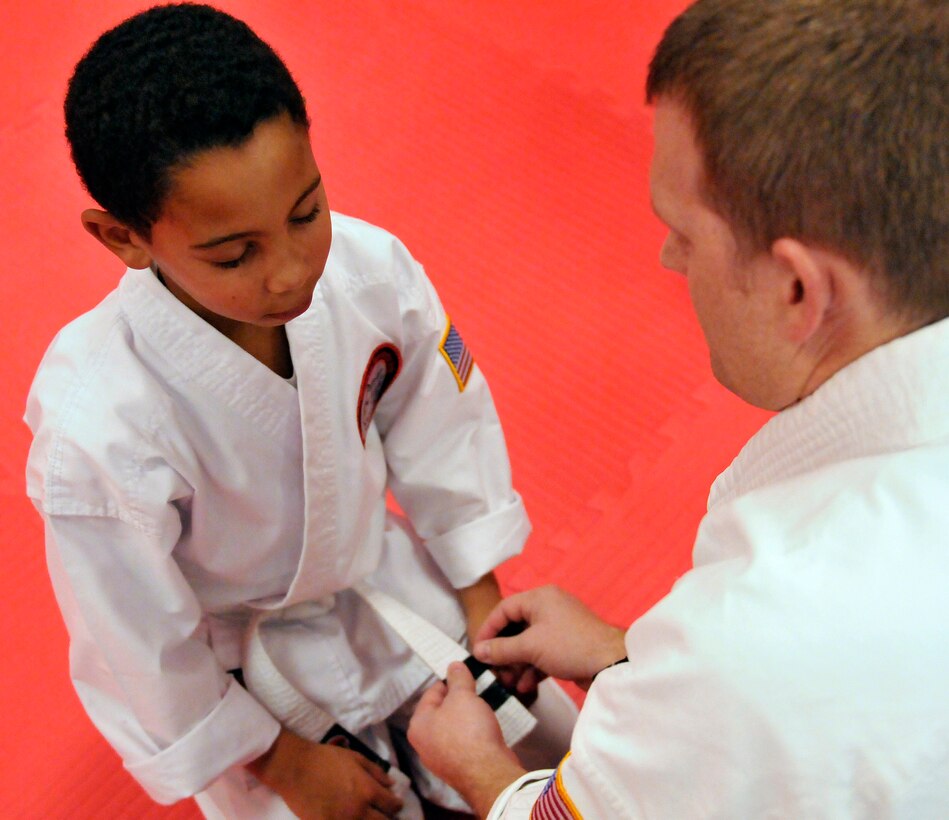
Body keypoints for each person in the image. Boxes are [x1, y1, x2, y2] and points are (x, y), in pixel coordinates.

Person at [24, 4, 575, 818]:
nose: (290, 272)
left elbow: (440, 421)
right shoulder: (96, 426)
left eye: (306, 211)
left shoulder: (368, 269)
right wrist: (284, 765)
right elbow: (135, 639)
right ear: (123, 238)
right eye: (234, 253)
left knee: (548, 769)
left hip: (389, 593)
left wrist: (477, 605)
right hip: (249, 688)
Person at [407, 0, 949, 816]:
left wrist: (476, 769)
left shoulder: (758, 639)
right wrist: (632, 658)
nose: (666, 257)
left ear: (796, 288)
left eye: (685, 235)